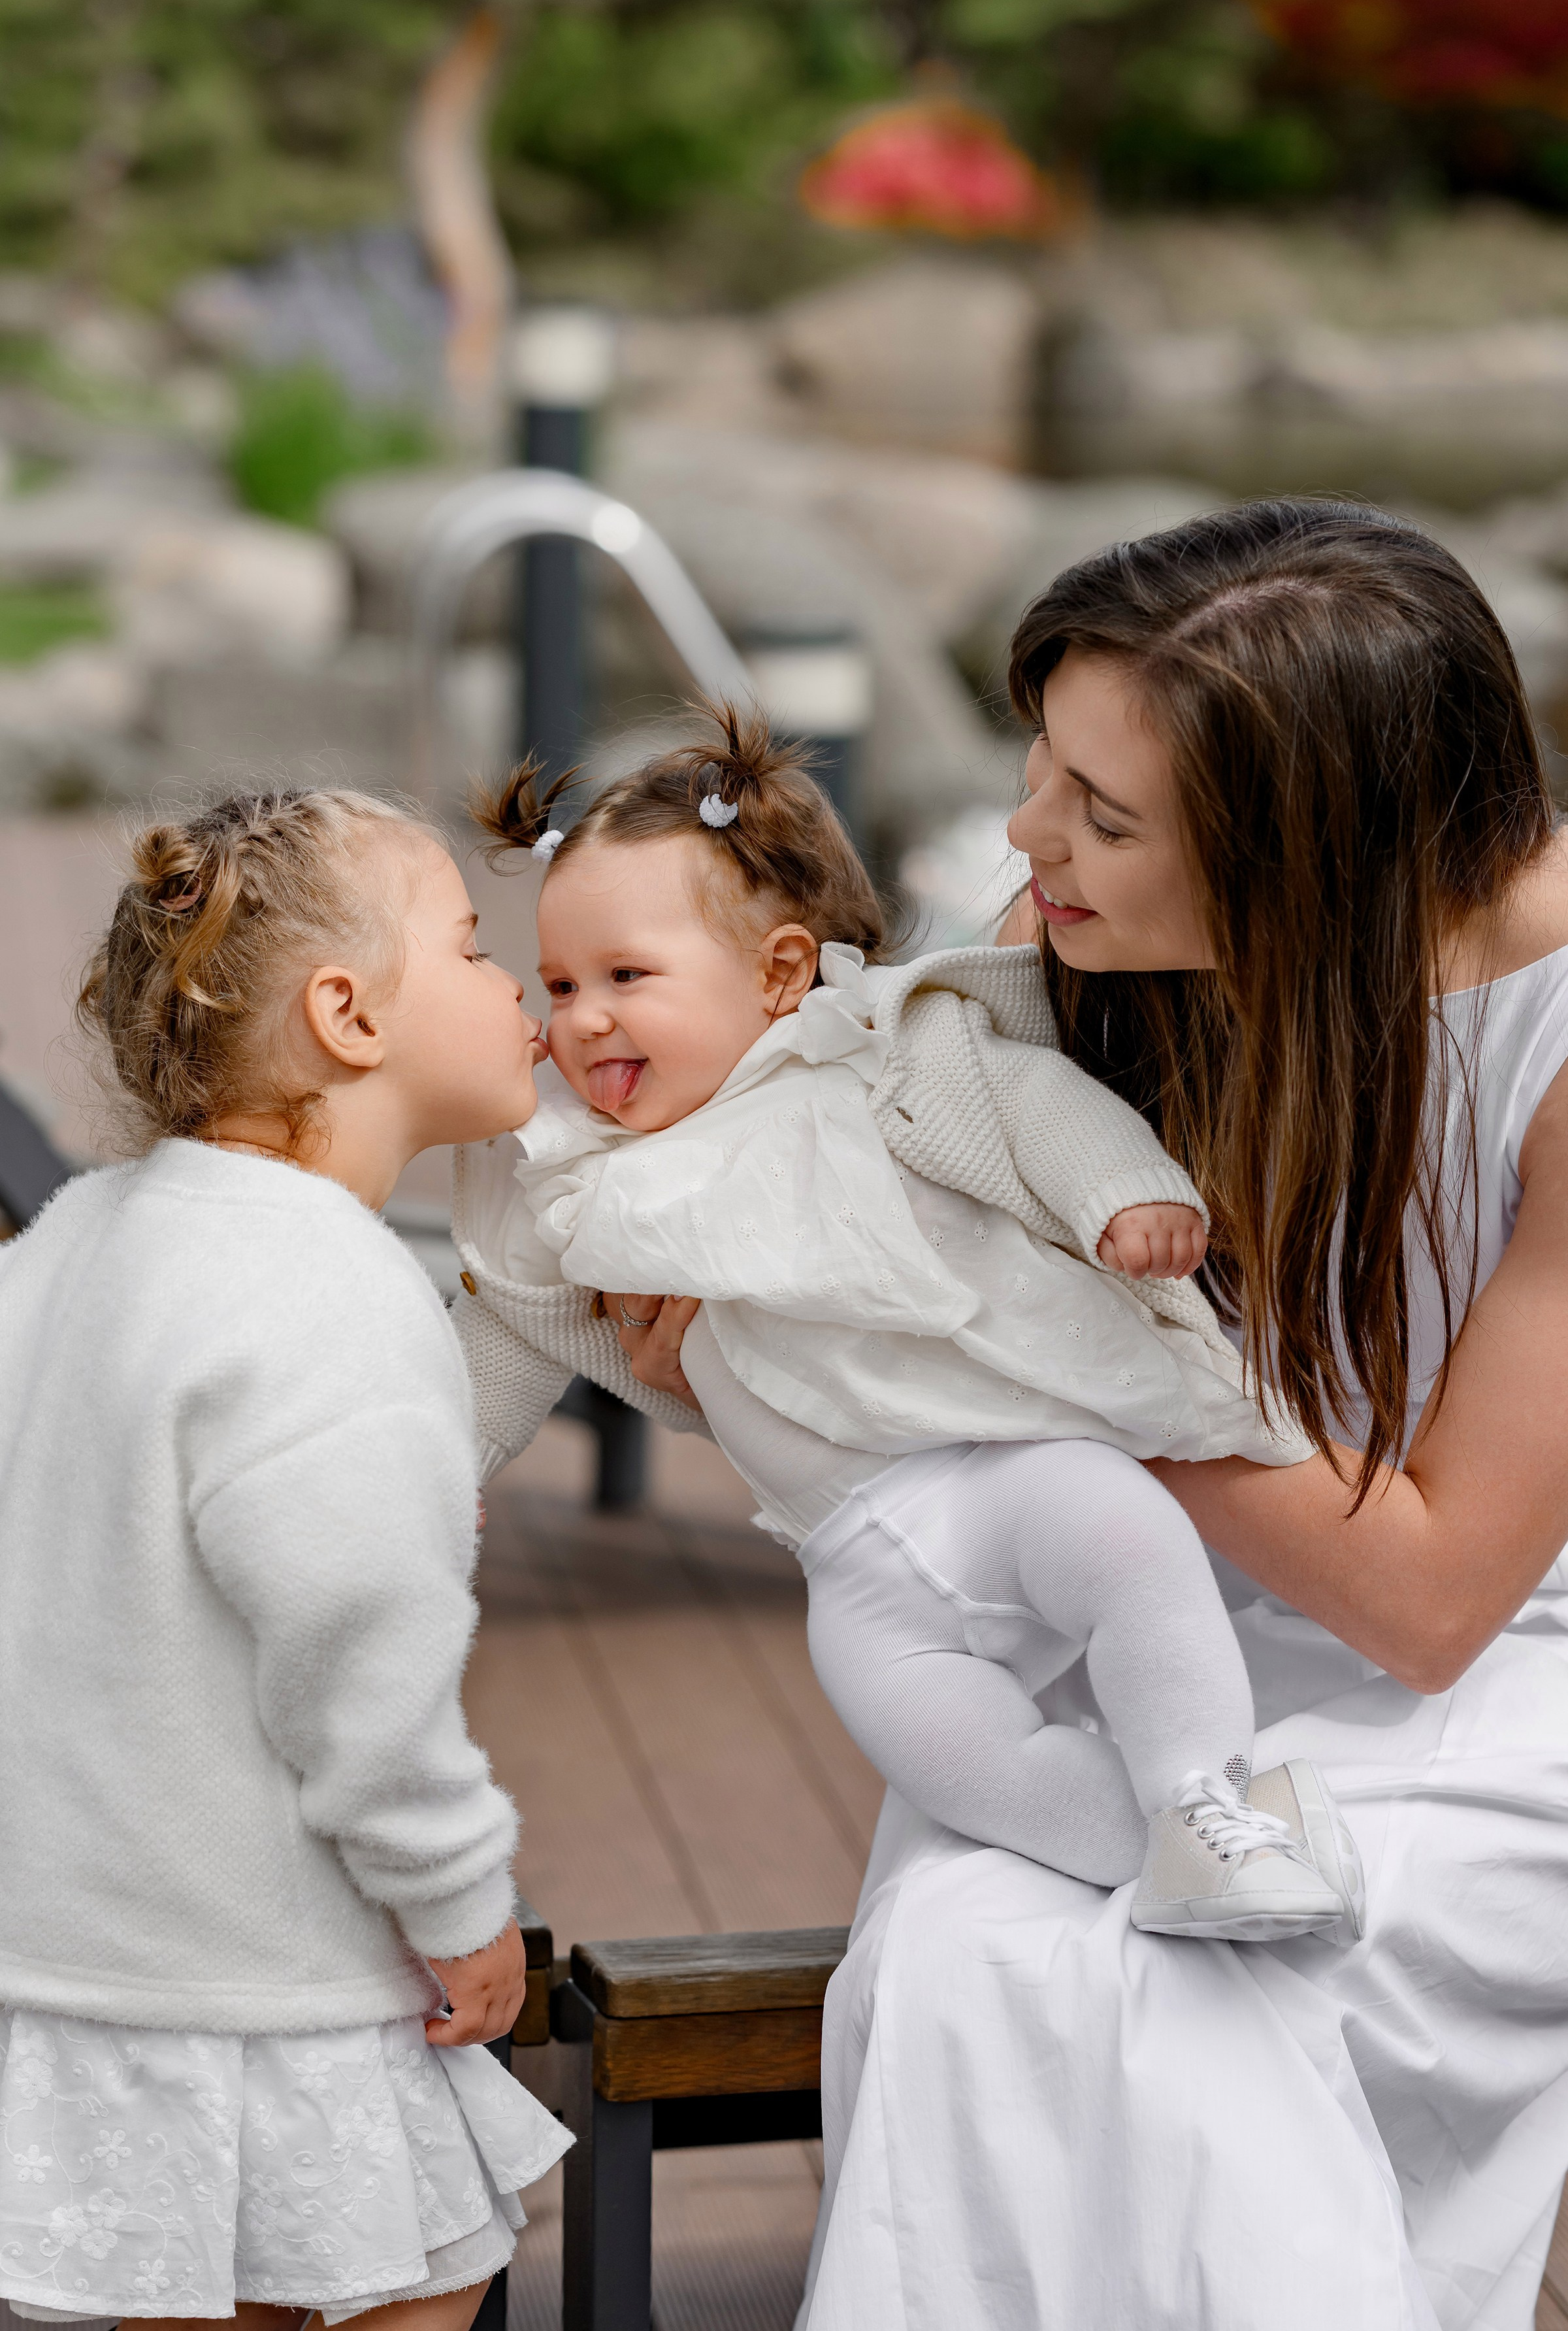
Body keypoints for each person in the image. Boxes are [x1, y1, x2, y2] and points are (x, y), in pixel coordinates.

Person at [614, 500, 1568, 2330]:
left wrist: (1012, 1343)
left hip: (1498, 1685)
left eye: (1103, 820)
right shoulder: (1105, 952)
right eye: (1041, 770)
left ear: (1318, 861)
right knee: (975, 1958)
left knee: (1192, 1976)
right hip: (1157, 1622)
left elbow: (1438, 1599)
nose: (1029, 843)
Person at [451, 711, 1360, 1943]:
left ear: (778, 972)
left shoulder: (874, 1055)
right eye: (561, 987)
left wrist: (1126, 1196)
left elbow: (1035, 1104)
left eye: (626, 978)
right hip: (855, 1571)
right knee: (961, 1767)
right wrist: (436, 1469)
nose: (584, 1020)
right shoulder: (580, 1182)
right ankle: (1159, 1851)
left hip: (1005, 1470)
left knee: (1132, 1550)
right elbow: (507, 1333)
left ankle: (1203, 1790)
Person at [0, 788, 570, 2331]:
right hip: (271, 1980)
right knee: (416, 2295)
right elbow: (359, 1662)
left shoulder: (67, 1241)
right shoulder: (331, 1289)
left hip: (75, 1967)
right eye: (467, 945)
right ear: (347, 1013)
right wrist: (460, 1904)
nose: (513, 978)